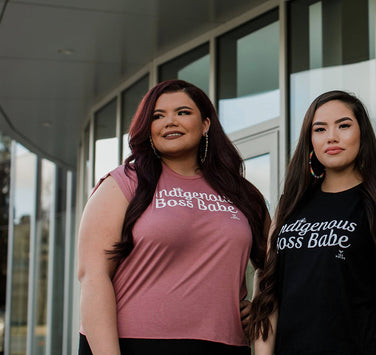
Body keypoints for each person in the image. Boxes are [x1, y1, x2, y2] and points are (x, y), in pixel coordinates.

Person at [77, 79, 268, 355]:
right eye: (158, 116)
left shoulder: (242, 194)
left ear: (205, 125)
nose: (170, 122)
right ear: (149, 128)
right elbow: (93, 276)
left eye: (182, 112)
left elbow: (275, 265)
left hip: (224, 344)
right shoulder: (124, 183)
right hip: (134, 345)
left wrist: (260, 307)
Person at [249, 90, 376, 354]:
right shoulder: (289, 204)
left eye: (344, 126)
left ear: (362, 134)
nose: (332, 137)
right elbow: (268, 296)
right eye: (320, 129)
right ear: (310, 140)